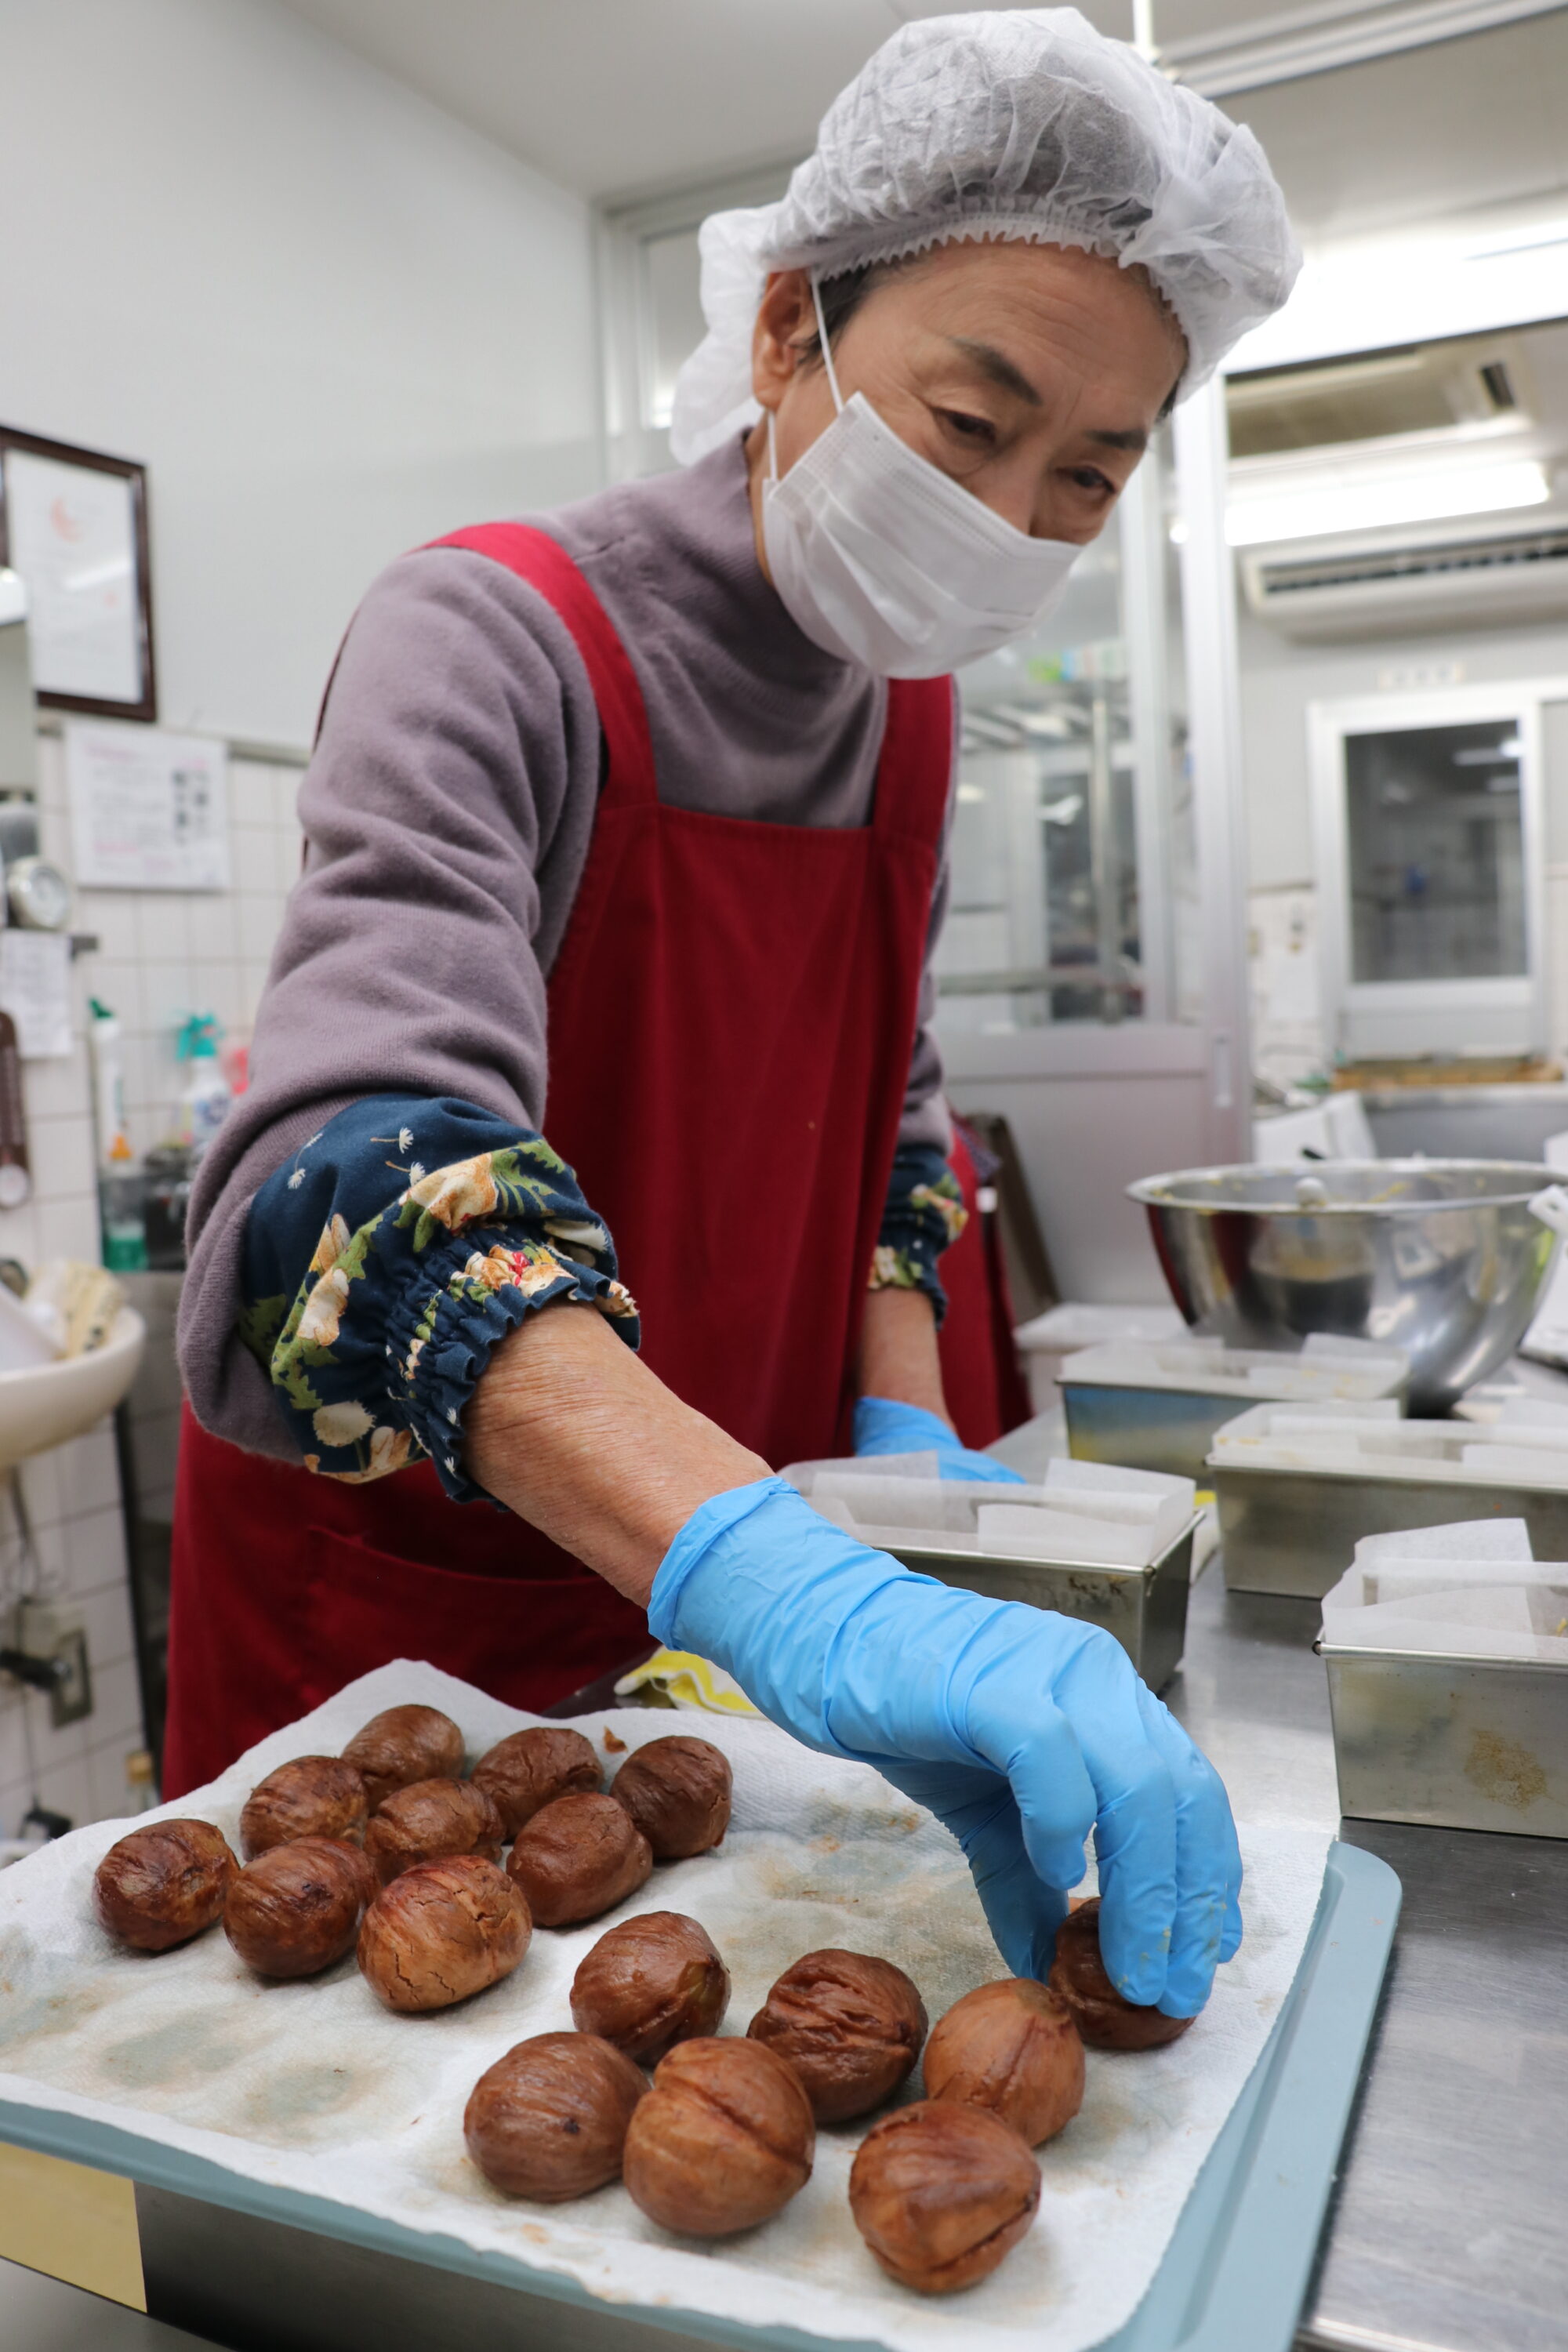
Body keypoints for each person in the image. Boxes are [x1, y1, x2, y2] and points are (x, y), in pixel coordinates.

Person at [169, 8, 1298, 2014]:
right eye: (973, 423)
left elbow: (893, 1123)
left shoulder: (913, 717)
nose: (1017, 519)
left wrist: (902, 1466)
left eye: (1089, 476)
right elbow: (347, 1190)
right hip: (426, 1615)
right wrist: (768, 1568)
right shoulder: (491, 634)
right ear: (788, 332)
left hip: (733, 1619)